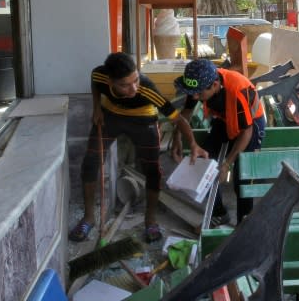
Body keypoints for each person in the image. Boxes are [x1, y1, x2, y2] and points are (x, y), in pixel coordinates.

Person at [69, 52, 208, 244]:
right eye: (125, 85)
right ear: (111, 81)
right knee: (90, 162)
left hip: (143, 121)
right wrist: (97, 108)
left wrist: (192, 143)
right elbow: (95, 82)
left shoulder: (147, 89)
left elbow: (178, 118)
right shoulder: (99, 75)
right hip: (111, 117)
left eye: (135, 80)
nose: (133, 88)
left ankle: (150, 220)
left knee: (152, 170)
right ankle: (88, 218)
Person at [174, 59, 265, 226]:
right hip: (224, 120)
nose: (194, 97)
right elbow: (185, 113)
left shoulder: (237, 90)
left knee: (243, 177)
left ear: (215, 85)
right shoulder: (199, 85)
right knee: (204, 161)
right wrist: (177, 138)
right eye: (193, 93)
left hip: (251, 125)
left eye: (199, 94)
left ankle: (244, 222)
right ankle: (219, 213)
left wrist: (227, 164)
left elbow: (246, 132)